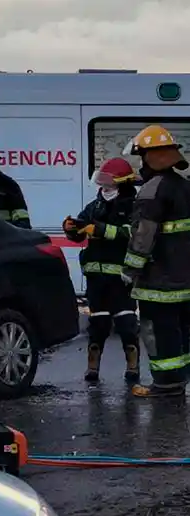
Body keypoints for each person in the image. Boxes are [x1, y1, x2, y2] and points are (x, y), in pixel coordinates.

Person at [121, 124, 190, 398]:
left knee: (158, 332)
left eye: (141, 157)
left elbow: (142, 236)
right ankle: (179, 380)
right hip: (184, 280)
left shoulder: (152, 190)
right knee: (182, 331)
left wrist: (129, 270)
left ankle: (165, 385)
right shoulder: (185, 187)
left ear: (150, 157)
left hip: (158, 283)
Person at [62, 157, 139, 383]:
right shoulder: (94, 206)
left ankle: (133, 368)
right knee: (98, 325)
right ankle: (92, 368)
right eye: (102, 181)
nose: (103, 185)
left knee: (126, 325)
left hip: (122, 278)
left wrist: (102, 229)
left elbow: (132, 233)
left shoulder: (133, 206)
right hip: (96, 278)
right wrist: (71, 229)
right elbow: (81, 231)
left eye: (109, 181)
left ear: (122, 183)